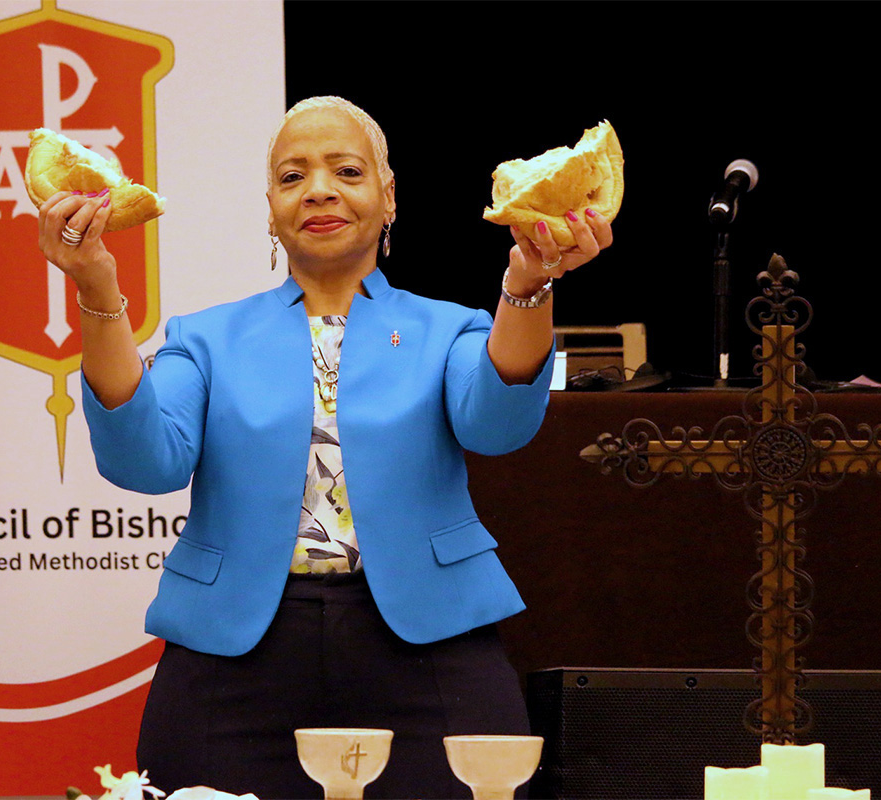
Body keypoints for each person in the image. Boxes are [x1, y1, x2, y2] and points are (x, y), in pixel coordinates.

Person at [38, 96, 613, 799]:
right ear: (271, 208)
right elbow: (144, 460)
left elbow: (497, 427)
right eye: (291, 176)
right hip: (234, 654)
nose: (319, 190)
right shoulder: (204, 338)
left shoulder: (451, 329)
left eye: (346, 169)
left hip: (430, 644)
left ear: (388, 195)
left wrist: (528, 282)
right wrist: (97, 284)